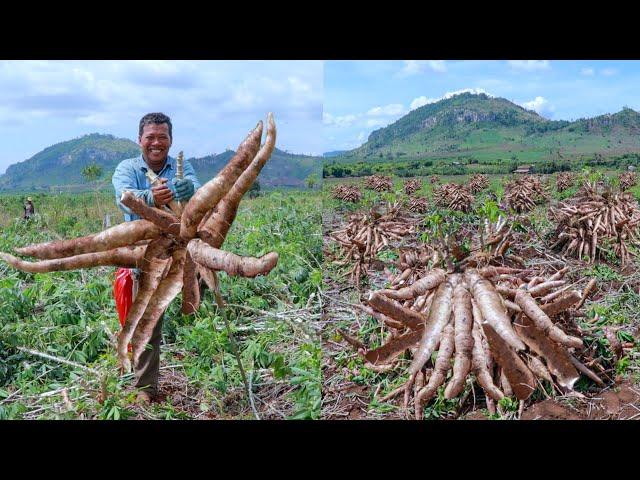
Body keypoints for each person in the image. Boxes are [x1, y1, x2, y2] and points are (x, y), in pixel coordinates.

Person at [112, 112, 201, 403]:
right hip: (145, 252)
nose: (156, 142)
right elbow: (124, 195)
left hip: (179, 247)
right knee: (147, 321)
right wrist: (151, 198)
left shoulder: (181, 166)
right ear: (140, 140)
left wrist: (192, 190)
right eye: (150, 136)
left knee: (197, 299)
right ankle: (145, 389)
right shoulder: (127, 168)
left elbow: (194, 188)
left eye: (162, 137)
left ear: (170, 141)